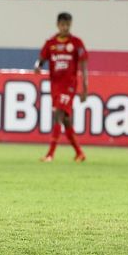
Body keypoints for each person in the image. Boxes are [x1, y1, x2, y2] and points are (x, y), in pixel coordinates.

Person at [34, 12, 88, 163]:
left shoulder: (76, 43)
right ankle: (79, 153)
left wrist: (85, 87)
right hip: (55, 85)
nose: (65, 28)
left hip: (69, 85)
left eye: (68, 25)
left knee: (57, 114)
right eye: (63, 25)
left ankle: (50, 154)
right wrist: (37, 66)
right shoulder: (50, 43)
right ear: (58, 25)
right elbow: (41, 59)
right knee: (65, 119)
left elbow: (83, 65)